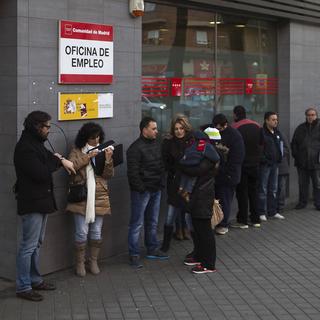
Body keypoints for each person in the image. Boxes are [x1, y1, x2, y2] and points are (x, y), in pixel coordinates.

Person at [14, 111, 75, 302]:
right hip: (32, 203)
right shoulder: (25, 148)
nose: (49, 130)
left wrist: (55, 159)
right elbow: (41, 172)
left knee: (37, 244)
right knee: (28, 246)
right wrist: (57, 160)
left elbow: (50, 159)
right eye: (47, 126)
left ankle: (34, 279)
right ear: (36, 127)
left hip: (42, 201)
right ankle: (23, 286)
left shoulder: (37, 145)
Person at [66, 123, 114, 277]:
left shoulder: (104, 149)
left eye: (98, 136)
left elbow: (108, 175)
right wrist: (88, 157)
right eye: (93, 137)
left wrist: (107, 159)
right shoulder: (76, 150)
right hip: (81, 195)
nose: (96, 140)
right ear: (85, 137)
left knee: (96, 231)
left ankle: (93, 261)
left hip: (99, 195)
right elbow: (71, 167)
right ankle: (80, 262)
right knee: (81, 232)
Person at [127, 117, 167, 268]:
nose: (157, 131)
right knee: (136, 223)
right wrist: (142, 188)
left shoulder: (157, 144)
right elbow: (133, 173)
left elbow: (161, 165)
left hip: (155, 188)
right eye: (154, 128)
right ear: (144, 130)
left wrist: (160, 183)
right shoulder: (135, 149)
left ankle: (152, 248)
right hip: (142, 192)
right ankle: (134, 254)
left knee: (152, 221)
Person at [180, 144, 220, 274]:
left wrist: (183, 163)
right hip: (200, 200)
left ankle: (208, 264)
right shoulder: (207, 159)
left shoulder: (206, 162)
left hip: (201, 200)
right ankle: (201, 258)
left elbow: (193, 171)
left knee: (205, 232)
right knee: (199, 231)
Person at [161, 115, 193, 252]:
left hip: (188, 182)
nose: (179, 131)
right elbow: (165, 162)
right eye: (176, 129)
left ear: (185, 128)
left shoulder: (192, 142)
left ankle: (188, 234)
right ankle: (167, 244)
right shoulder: (169, 143)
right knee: (171, 213)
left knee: (187, 211)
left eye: (181, 128)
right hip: (174, 181)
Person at [230, 105, 262, 229]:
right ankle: (255, 219)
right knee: (253, 192)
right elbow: (262, 143)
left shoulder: (235, 128)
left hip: (242, 165)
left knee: (242, 193)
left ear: (235, 115)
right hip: (255, 165)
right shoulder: (257, 126)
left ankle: (242, 220)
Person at [212, 113, 245, 235]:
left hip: (228, 175)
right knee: (218, 201)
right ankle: (217, 222)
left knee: (225, 200)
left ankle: (223, 224)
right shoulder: (213, 132)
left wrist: (228, 173)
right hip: (217, 174)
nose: (218, 130)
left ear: (225, 124)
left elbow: (238, 158)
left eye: (220, 128)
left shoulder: (234, 136)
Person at [257, 112, 285, 221]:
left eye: (276, 119)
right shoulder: (262, 132)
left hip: (275, 164)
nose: (275, 121)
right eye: (273, 119)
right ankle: (261, 212)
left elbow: (280, 147)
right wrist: (265, 160)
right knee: (263, 188)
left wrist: (279, 158)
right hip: (265, 165)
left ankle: (272, 212)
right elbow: (259, 149)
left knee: (273, 189)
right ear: (266, 120)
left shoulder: (277, 132)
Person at [291, 107, 320, 210]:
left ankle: (318, 203)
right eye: (308, 115)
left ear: (316, 116)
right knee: (303, 184)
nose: (310, 117)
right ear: (306, 116)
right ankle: (302, 203)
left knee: (317, 184)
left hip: (316, 162)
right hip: (302, 162)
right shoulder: (300, 128)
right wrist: (296, 155)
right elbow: (294, 143)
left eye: (312, 115)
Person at [277, 133, 290, 214]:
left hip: (282, 167)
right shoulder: (264, 134)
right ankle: (272, 207)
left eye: (276, 120)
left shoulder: (281, 135)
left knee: (281, 187)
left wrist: (278, 150)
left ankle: (280, 207)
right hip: (271, 166)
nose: (275, 122)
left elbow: (287, 150)